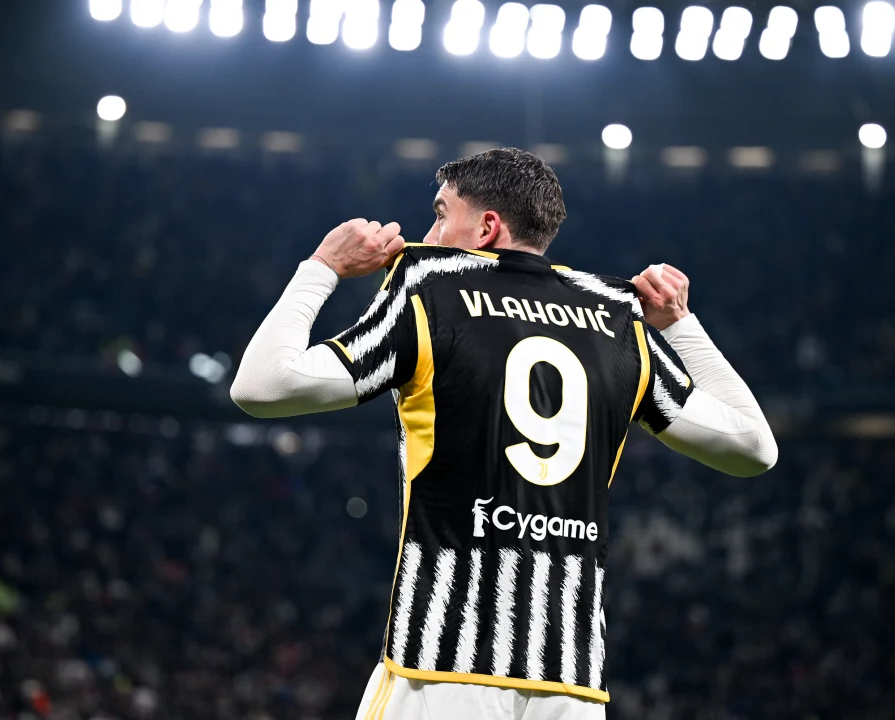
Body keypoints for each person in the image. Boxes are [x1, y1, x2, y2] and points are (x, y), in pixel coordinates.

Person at [230, 148, 778, 719]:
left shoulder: (431, 292)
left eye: (441, 214)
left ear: (487, 227)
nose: (428, 235)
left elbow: (261, 385)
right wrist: (682, 326)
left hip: (443, 669)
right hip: (569, 687)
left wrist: (322, 266)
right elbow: (755, 448)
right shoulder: (619, 322)